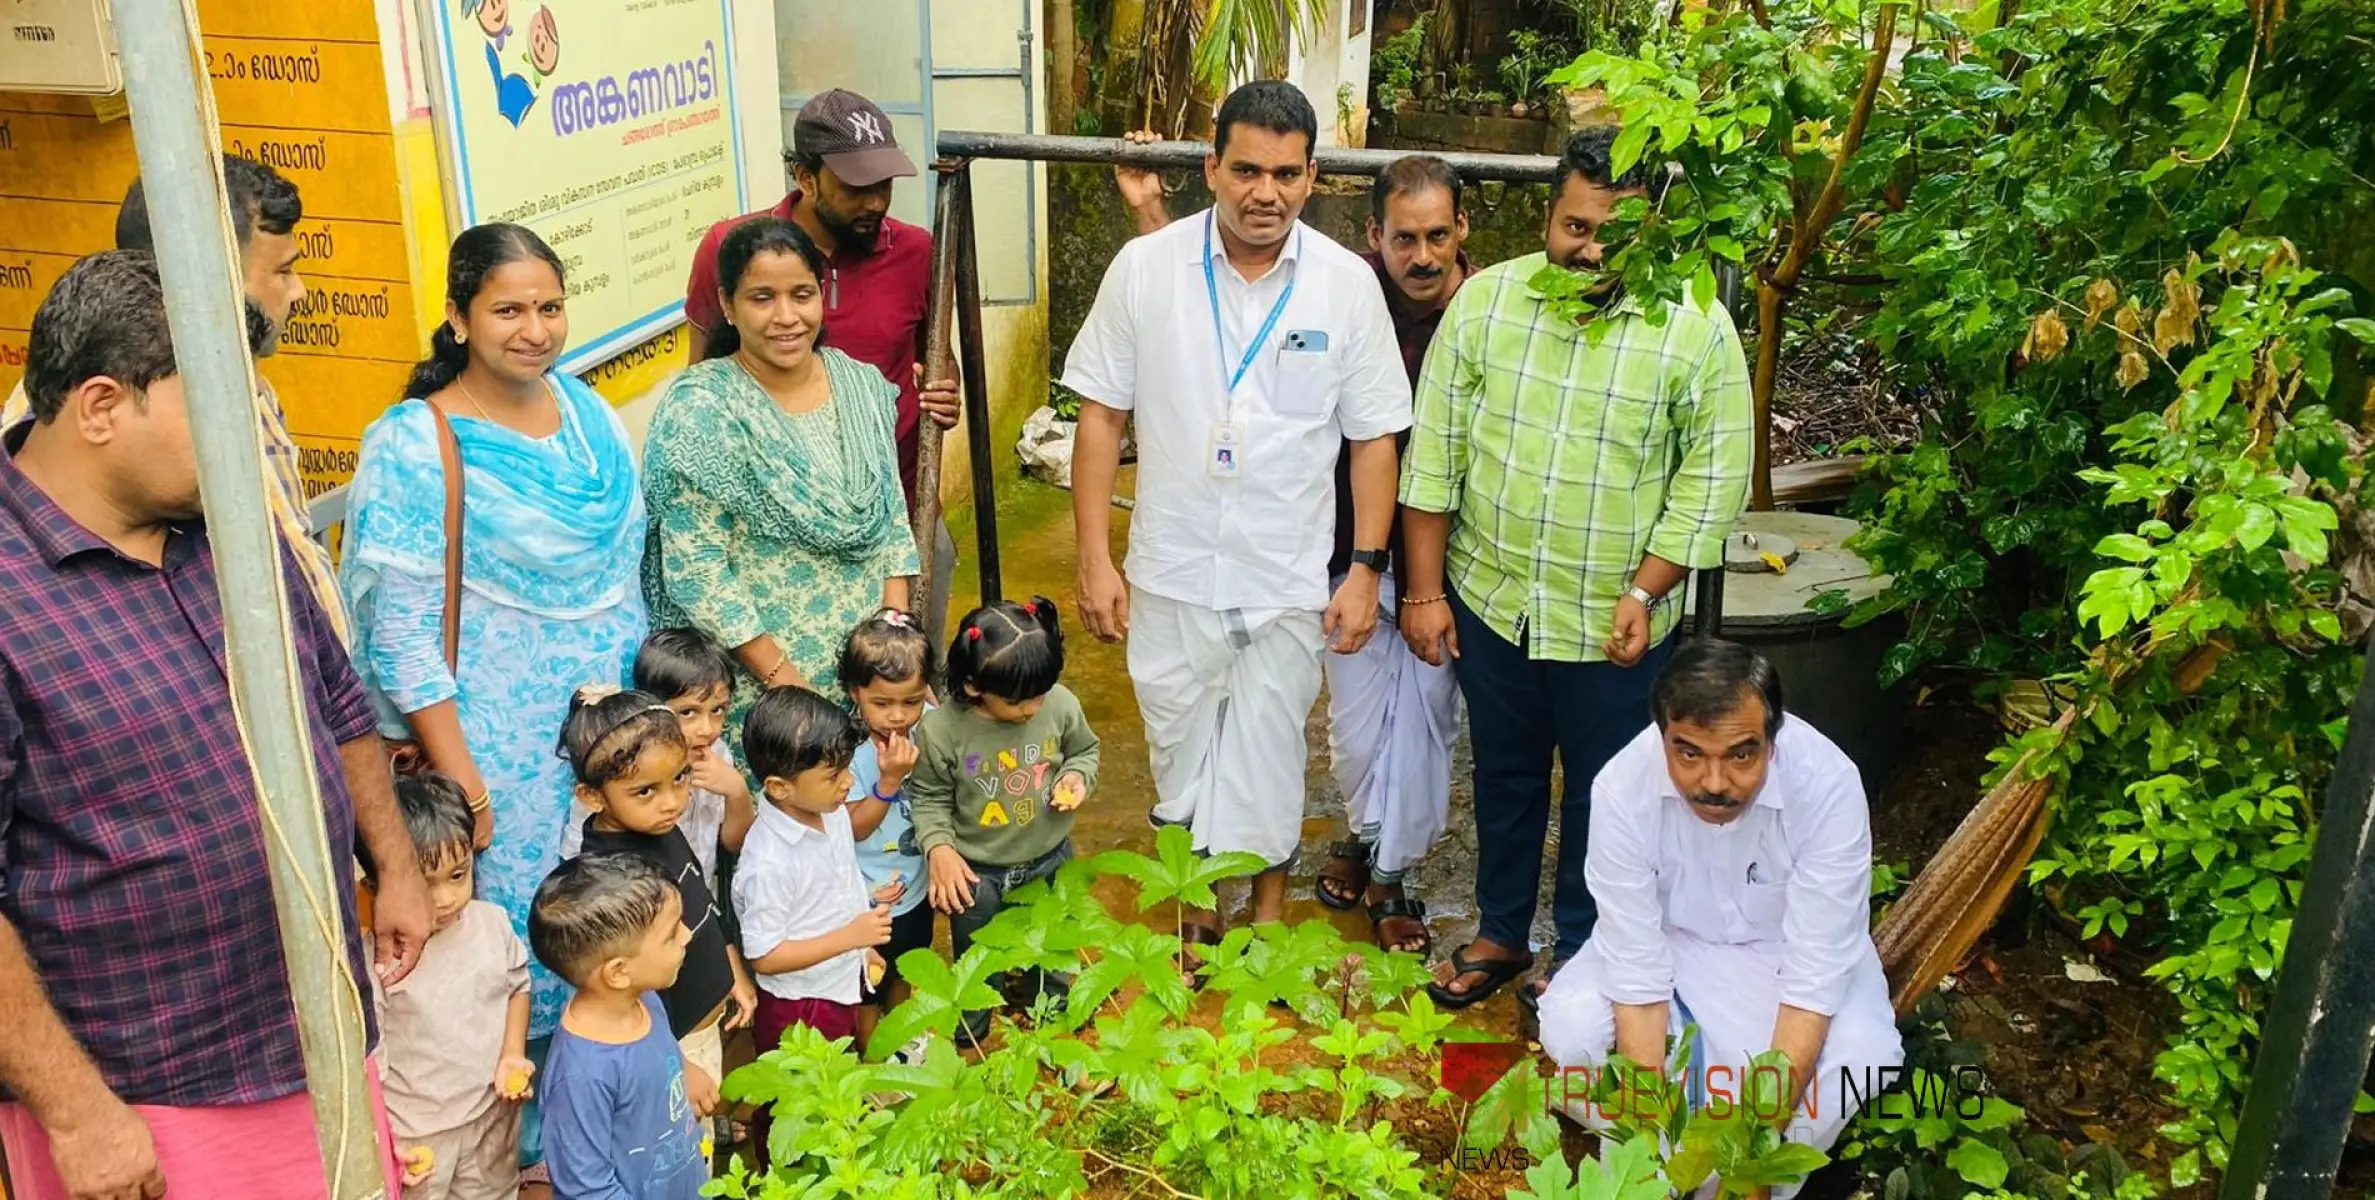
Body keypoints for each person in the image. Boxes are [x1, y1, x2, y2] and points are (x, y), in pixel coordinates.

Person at [0, 250, 427, 1198]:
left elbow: (334, 699)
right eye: (216, 410)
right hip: (148, 1103)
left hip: (318, 1026)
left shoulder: (224, 520)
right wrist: (77, 1113)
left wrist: (389, 861)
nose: (245, 441)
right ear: (103, 406)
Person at [1402, 127, 1753, 1009]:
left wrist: (1647, 590)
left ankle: (1585, 945)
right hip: (1495, 601)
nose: (1591, 251)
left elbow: (1710, 482)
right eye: (1575, 227)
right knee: (1505, 774)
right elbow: (1433, 457)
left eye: (1615, 234)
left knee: (1612, 792)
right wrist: (1424, 590)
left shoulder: (1697, 328)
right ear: (1547, 216)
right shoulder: (1484, 304)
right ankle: (1500, 932)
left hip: (1616, 619)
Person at [1064, 81, 1412, 947]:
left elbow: (1374, 439)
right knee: (1176, 744)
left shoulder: (1344, 288)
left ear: (1312, 178)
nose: (1267, 193)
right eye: (1247, 170)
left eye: (1286, 174)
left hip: (1285, 574)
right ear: (1210, 168)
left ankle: (1260, 925)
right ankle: (1190, 914)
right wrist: (1093, 558)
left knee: (1270, 751)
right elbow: (1101, 415)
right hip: (1171, 565)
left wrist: (1364, 568)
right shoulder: (1145, 270)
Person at [342, 222, 649, 1176]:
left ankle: (590, 1132)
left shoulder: (588, 413)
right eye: (507, 310)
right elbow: (396, 627)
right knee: (506, 940)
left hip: (602, 744)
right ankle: (501, 1154)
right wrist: (464, 776)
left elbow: (626, 572)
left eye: (549, 307)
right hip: (493, 753)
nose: (534, 329)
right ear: (458, 317)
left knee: (609, 925)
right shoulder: (413, 441)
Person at [1113, 149, 1476, 956]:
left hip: (1401, 554)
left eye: (1437, 236)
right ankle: (1219, 886)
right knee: (1326, 733)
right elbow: (1197, 308)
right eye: (1403, 237)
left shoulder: (1476, 308)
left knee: (1399, 728)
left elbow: (1377, 440)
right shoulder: (1347, 282)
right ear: (1374, 233)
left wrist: (1383, 572)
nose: (1420, 255)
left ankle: (1386, 875)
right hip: (1304, 555)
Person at [1537, 641, 1903, 1197]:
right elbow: (1636, 970)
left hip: (1788, 951)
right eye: (1688, 754)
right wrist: (1647, 1144)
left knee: (1864, 1061)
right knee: (1574, 1036)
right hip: (1669, 942)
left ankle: (1744, 1174)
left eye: (1740, 755)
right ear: (1662, 736)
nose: (1713, 782)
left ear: (1773, 740)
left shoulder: (1827, 783)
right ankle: (1666, 1159)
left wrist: (1750, 1163)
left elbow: (1813, 978)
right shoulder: (1620, 788)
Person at [2, 154, 344, 640]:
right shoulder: (70, 429)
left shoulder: (246, 387)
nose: (298, 291)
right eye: (282, 271)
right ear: (206, 282)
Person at [681, 89, 960, 634]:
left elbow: (937, 360)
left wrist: (943, 395)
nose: (876, 202)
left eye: (884, 185)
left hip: (896, 523)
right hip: (772, 543)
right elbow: (702, 382)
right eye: (856, 188)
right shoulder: (731, 248)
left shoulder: (915, 252)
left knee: (904, 685)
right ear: (805, 178)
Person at [643, 217, 921, 714]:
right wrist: (787, 684)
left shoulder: (861, 386)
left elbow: (891, 522)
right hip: (762, 696)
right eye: (762, 298)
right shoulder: (703, 408)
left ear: (822, 295)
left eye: (801, 293)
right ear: (728, 305)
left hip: (872, 684)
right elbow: (697, 570)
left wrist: (893, 653)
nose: (787, 316)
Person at [559, 686, 756, 1123]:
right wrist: (677, 1066)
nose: (672, 802)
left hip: (703, 1026)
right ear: (592, 796)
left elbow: (699, 901)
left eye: (680, 778)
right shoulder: (614, 878)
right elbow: (627, 995)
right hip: (674, 1048)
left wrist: (732, 972)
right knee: (682, 1149)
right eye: (646, 790)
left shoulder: (654, 825)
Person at [912, 598, 1102, 1044]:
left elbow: (1084, 751)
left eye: (1042, 693)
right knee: (978, 965)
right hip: (975, 874)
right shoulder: (941, 730)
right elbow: (929, 796)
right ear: (974, 685)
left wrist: (1076, 777)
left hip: (1050, 859)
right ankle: (972, 1042)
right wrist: (939, 848)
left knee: (1052, 954)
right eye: (1019, 701)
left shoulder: (1059, 704)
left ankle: (1049, 1026)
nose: (1034, 708)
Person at [378, 775, 534, 1200]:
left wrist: (512, 1053)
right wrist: (384, 1139)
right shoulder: (380, 956)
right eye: (425, 883)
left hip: (490, 1117)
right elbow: (367, 1059)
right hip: (415, 1135)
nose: (444, 897)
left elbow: (518, 985)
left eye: (457, 875)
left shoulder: (492, 923)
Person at [530, 854, 711, 1200]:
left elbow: (660, 1053)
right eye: (671, 935)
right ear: (617, 972)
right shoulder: (581, 1076)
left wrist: (684, 1068)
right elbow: (586, 1188)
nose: (687, 936)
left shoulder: (643, 999)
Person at [735, 687, 899, 1055]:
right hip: (800, 1005)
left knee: (834, 1072)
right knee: (795, 1096)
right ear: (779, 787)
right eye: (833, 775)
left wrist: (863, 950)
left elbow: (845, 883)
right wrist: (850, 938)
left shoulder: (832, 813)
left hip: (838, 981)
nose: (849, 782)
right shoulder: (769, 862)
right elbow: (765, 955)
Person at [563, 628, 759, 884]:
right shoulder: (621, 762)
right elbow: (578, 861)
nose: (707, 729)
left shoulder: (717, 754)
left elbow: (736, 844)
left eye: (718, 710)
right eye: (688, 712)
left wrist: (737, 792)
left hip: (697, 893)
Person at [838, 608, 938, 1038]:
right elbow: (854, 827)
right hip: (864, 898)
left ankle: (898, 1039)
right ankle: (872, 1052)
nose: (898, 716)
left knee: (906, 967)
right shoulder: (847, 752)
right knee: (866, 983)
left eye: (911, 702)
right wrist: (889, 780)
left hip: (916, 888)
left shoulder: (929, 729)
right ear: (855, 692)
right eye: (882, 703)